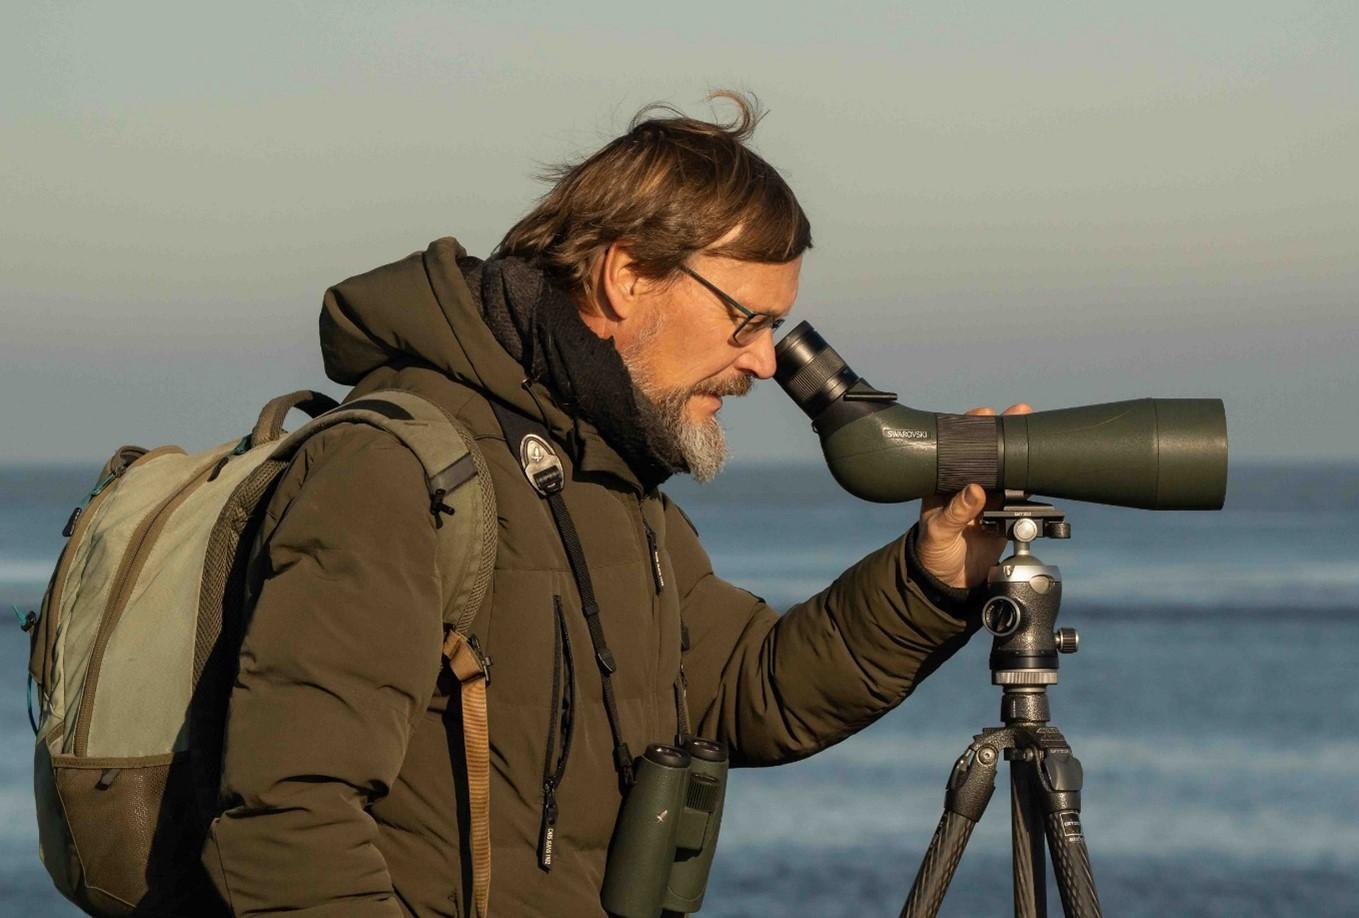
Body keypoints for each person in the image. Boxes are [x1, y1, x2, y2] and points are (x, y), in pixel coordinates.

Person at [201, 91, 1029, 917]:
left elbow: (746, 689)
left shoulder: (604, 473)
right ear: (628, 275)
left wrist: (930, 579)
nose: (765, 363)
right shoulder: (396, 471)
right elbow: (288, 824)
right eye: (747, 321)